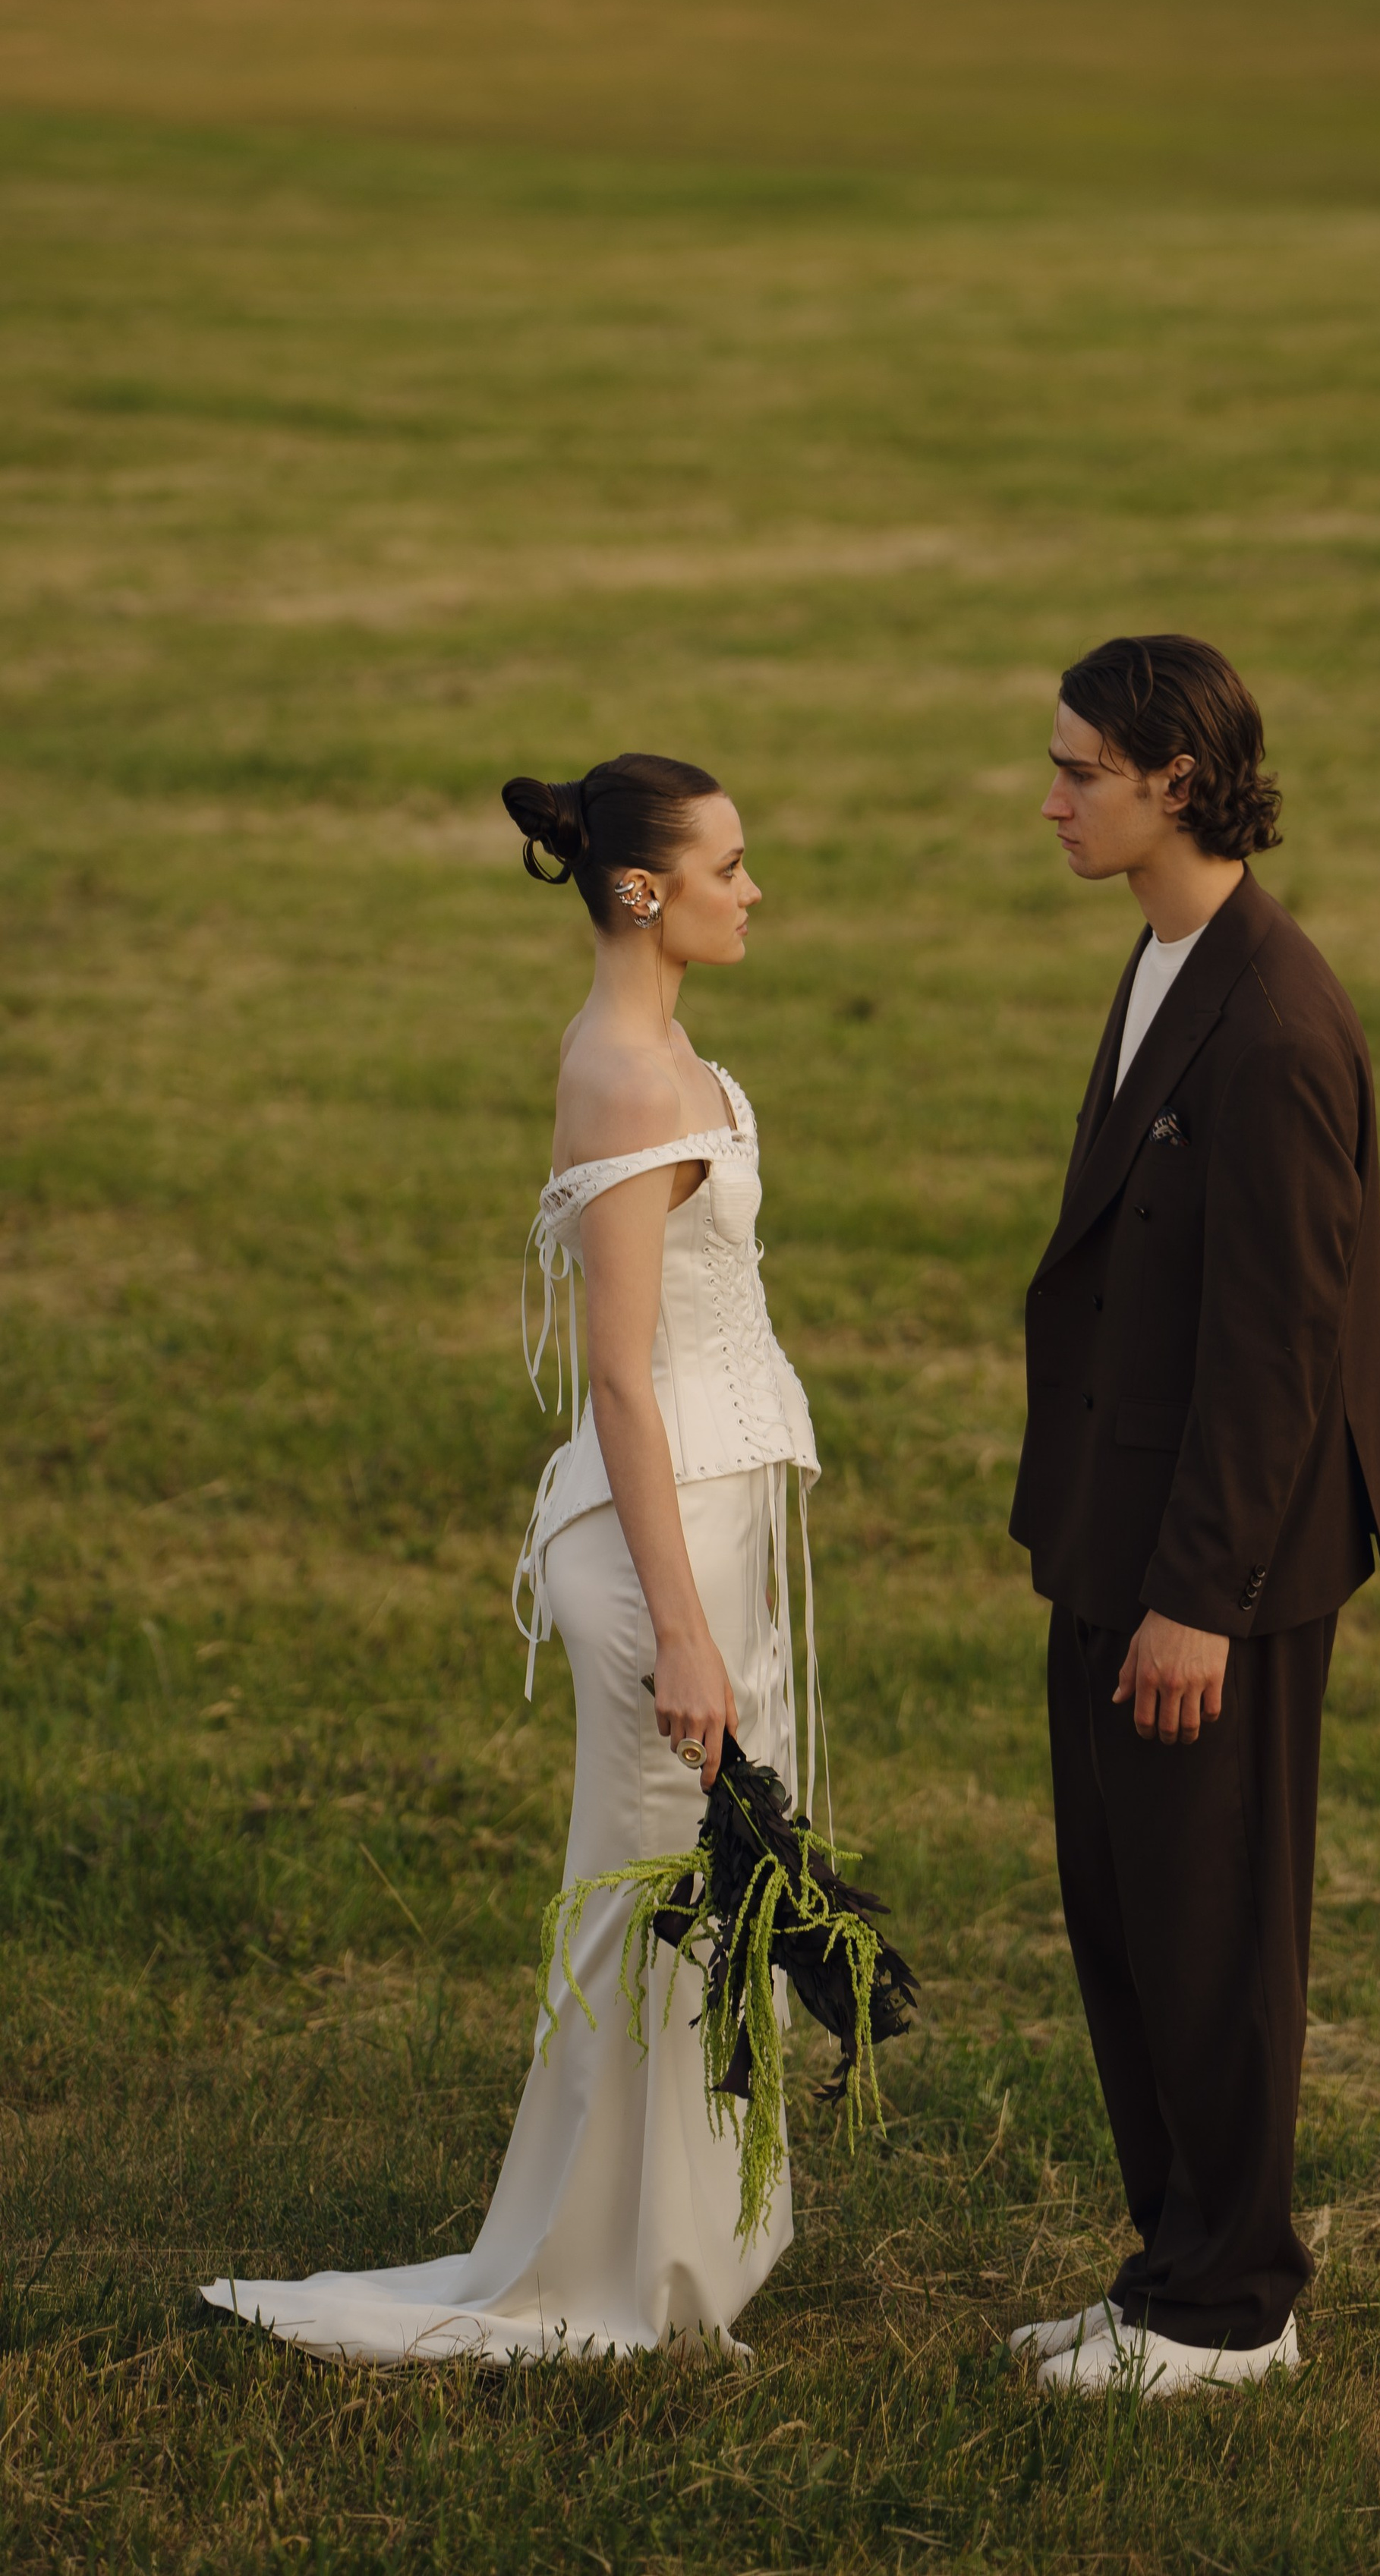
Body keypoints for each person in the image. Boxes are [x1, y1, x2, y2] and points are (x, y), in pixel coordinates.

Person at [201, 754, 821, 2363]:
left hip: (721, 1516)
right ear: (641, 890)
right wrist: (685, 1636)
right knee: (649, 1893)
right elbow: (618, 1375)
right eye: (729, 867)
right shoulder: (623, 1074)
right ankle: (607, 2271)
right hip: (657, 1540)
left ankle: (684, 2247)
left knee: (709, 1880)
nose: (752, 890)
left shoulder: (670, 1046)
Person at [1006, 637, 1380, 2398]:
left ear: (1173, 775)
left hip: (1204, 1568)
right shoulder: (1168, 957)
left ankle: (1235, 2310)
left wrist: (1197, 1602)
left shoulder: (1277, 1019)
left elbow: (1276, 1353)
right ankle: (1167, 2269)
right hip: (1117, 1530)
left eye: (1079, 767)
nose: (1052, 796)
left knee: (1215, 1931)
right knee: (1124, 1914)